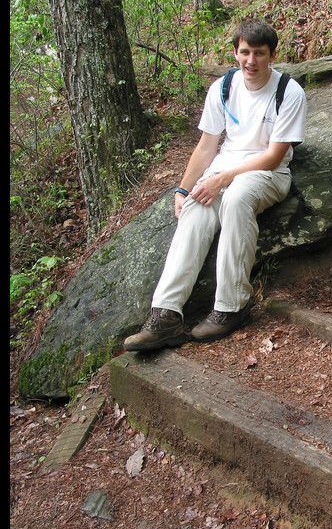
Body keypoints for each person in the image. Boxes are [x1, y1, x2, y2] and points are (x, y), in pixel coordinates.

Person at [124, 19, 307, 351]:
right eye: (245, 52)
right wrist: (183, 189)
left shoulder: (288, 92)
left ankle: (232, 306)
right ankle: (166, 315)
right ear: (235, 52)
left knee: (236, 198)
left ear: (273, 55)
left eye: (259, 54)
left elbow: (274, 156)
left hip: (268, 172)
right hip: (226, 165)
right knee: (195, 206)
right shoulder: (223, 88)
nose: (251, 61)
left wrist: (223, 178)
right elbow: (207, 146)